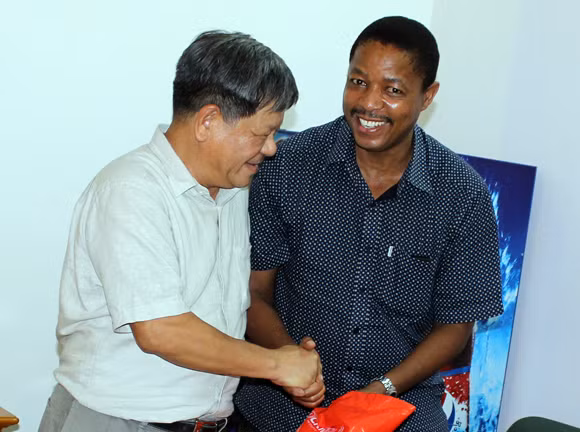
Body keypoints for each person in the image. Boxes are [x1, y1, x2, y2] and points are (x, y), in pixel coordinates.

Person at [38, 31, 322, 432]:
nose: (271, 148)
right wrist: (277, 364)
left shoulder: (231, 191)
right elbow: (161, 330)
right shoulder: (131, 191)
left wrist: (290, 358)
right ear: (208, 121)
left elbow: (231, 308)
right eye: (261, 134)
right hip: (116, 421)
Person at [234, 16, 504, 431]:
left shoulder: (462, 195)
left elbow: (455, 326)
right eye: (358, 82)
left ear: (427, 96)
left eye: (393, 90)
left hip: (401, 409)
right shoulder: (286, 166)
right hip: (281, 406)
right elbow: (253, 293)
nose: (369, 103)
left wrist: (381, 390)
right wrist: (292, 364)